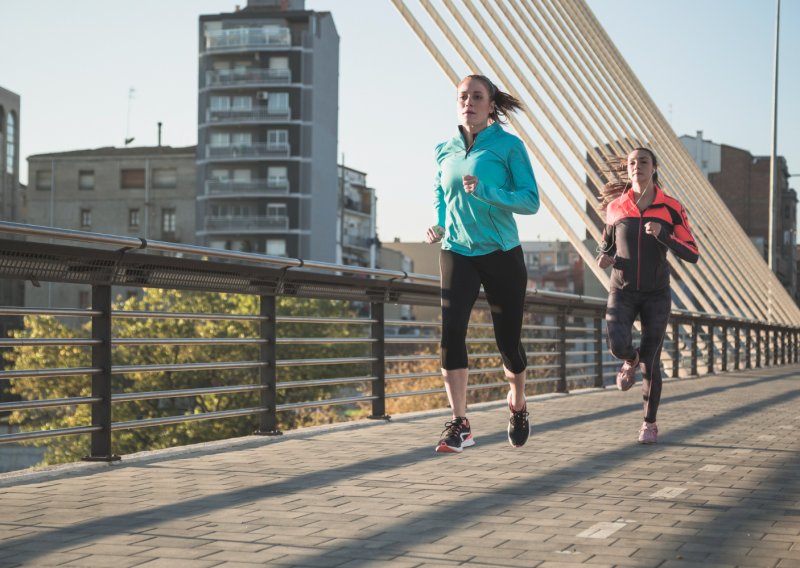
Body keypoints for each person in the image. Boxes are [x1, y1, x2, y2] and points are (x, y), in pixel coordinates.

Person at [425, 74, 540, 453]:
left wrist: (487, 191)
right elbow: (442, 195)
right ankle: (460, 424)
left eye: (477, 96)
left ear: (491, 105)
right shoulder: (445, 149)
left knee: (507, 343)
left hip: (501, 253)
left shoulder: (509, 147)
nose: (468, 102)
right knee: (451, 333)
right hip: (457, 251)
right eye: (463, 96)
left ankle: (518, 403)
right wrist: (440, 225)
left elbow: (530, 201)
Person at [596, 147, 699, 444]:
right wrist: (604, 257)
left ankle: (649, 423)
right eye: (632, 162)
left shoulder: (671, 208)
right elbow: (606, 246)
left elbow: (692, 253)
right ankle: (629, 359)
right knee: (617, 345)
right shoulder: (616, 207)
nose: (636, 166)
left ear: (654, 167)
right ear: (627, 169)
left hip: (656, 294)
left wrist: (663, 235)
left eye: (643, 161)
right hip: (622, 290)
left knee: (650, 363)